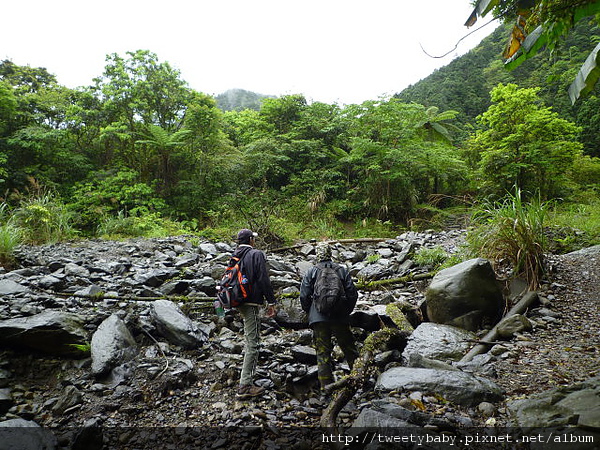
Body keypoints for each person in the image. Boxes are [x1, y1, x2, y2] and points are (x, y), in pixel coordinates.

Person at [299, 242, 359, 394]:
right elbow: (352, 293)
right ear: (330, 254)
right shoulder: (341, 270)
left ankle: (326, 387)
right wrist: (346, 311)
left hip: (319, 319)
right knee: (349, 349)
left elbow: (304, 296)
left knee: (323, 353)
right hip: (340, 317)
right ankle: (359, 379)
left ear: (317, 255)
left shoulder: (311, 271)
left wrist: (311, 312)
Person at [232, 228, 277, 399]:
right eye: (254, 239)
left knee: (249, 339)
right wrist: (271, 301)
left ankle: (246, 379)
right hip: (250, 302)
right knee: (253, 343)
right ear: (251, 240)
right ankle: (245, 386)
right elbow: (263, 278)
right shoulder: (256, 254)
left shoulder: (235, 254)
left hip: (238, 301)